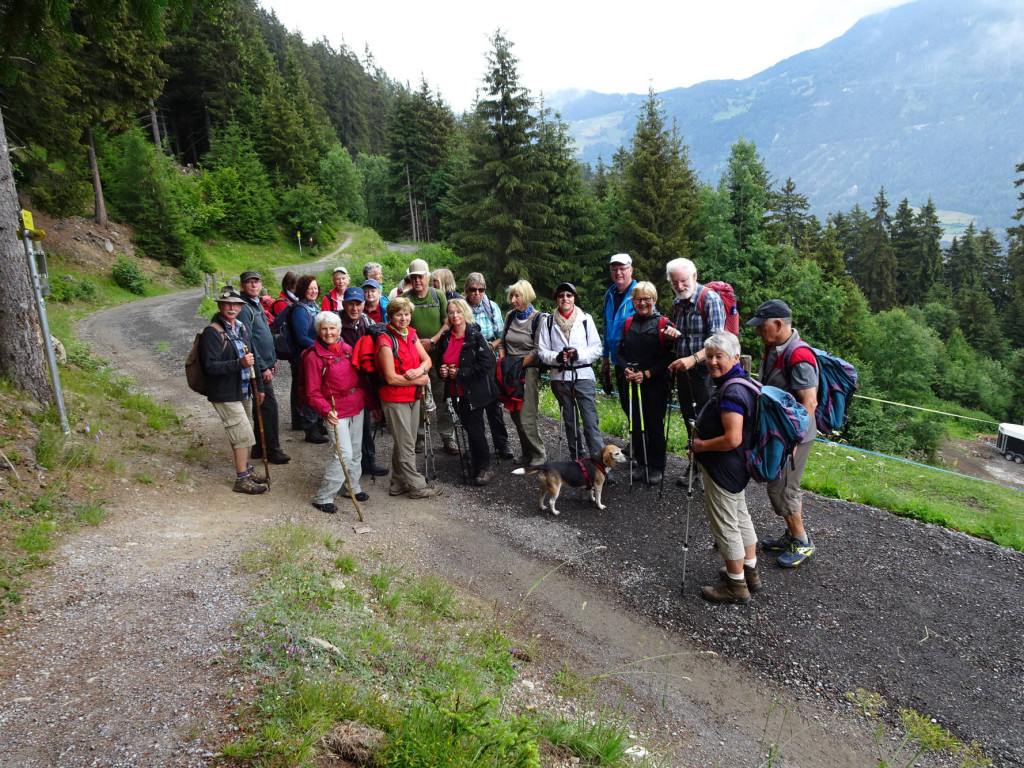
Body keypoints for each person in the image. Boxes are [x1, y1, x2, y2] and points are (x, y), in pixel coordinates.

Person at [690, 331, 761, 604]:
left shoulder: (732, 391)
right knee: (740, 516)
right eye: (709, 356)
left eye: (719, 356)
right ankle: (749, 571)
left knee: (726, 525)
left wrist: (700, 446)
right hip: (738, 466)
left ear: (734, 357)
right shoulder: (743, 382)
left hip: (724, 467)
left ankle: (735, 585)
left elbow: (733, 438)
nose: (713, 362)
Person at [747, 299, 818, 568]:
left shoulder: (799, 356)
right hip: (779, 433)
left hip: (793, 438)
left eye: (761, 326)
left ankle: (802, 542)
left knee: (784, 488)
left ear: (778, 324)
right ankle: (790, 535)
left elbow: (809, 402)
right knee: (777, 484)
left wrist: (795, 442)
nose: (757, 331)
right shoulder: (775, 348)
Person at [302, 311, 377, 513]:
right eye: (324, 328)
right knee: (343, 453)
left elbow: (361, 379)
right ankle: (324, 496)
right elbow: (312, 392)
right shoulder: (313, 356)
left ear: (339, 330)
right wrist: (326, 410)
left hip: (355, 404)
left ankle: (352, 487)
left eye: (332, 328)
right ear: (318, 330)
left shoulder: (347, 349)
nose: (328, 332)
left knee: (355, 449)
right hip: (334, 409)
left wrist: (371, 404)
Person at [198, 286, 268, 494]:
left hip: (244, 390)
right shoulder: (212, 332)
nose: (231, 308)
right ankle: (241, 479)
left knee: (245, 431)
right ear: (219, 306)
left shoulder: (241, 328)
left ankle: (246, 468)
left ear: (240, 307)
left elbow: (252, 358)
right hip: (225, 393)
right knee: (243, 434)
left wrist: (260, 388)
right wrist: (239, 364)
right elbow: (210, 367)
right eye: (227, 304)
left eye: (235, 304)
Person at [666, 258, 726, 488]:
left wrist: (694, 359)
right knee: (690, 421)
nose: (679, 286)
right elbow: (685, 334)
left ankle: (711, 473)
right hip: (684, 372)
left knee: (708, 422)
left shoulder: (709, 299)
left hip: (707, 373)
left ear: (694, 276)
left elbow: (718, 340)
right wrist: (673, 332)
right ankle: (695, 467)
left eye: (683, 281)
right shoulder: (678, 302)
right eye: (674, 283)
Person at [376, 297, 443, 499]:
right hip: (395, 400)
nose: (403, 318)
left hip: (414, 397)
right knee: (406, 444)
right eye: (399, 314)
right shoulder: (385, 340)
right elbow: (390, 377)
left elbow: (427, 359)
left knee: (406, 441)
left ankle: (398, 483)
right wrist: (419, 380)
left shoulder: (411, 334)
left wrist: (420, 370)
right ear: (391, 316)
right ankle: (417, 486)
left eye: (406, 314)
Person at [616, 282, 676, 485]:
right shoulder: (628, 323)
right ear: (632, 301)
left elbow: (670, 357)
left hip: (655, 383)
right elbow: (620, 352)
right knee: (637, 424)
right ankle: (642, 463)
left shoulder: (664, 324)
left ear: (654, 300)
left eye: (646, 299)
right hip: (632, 381)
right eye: (638, 299)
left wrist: (648, 374)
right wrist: (625, 368)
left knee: (654, 426)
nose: (642, 303)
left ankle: (657, 466)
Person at [537, 282, 604, 463]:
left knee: (590, 422)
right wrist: (557, 357)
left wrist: (579, 355)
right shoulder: (548, 321)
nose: (565, 299)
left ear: (574, 297)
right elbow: (542, 351)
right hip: (559, 377)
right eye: (561, 296)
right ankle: (578, 460)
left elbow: (597, 349)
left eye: (569, 295)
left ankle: (599, 463)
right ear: (556, 299)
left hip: (583, 375)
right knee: (569, 421)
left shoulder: (585, 319)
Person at [438, 299, 502, 485]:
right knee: (468, 427)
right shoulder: (446, 337)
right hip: (455, 390)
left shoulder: (474, 335)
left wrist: (460, 373)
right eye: (451, 312)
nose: (455, 315)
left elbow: (485, 365)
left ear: (465, 312)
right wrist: (443, 371)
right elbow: (441, 361)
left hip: (474, 391)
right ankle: (476, 463)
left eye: (458, 311)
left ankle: (484, 466)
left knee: (475, 429)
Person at [402, 258, 458, 455]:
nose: (418, 280)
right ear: (411, 278)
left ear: (427, 278)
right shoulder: (405, 298)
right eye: (414, 277)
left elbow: (447, 323)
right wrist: (420, 344)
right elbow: (403, 326)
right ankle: (418, 438)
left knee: (442, 396)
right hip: (415, 356)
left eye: (421, 277)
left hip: (438, 353)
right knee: (417, 397)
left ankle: (447, 437)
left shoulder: (438, 296)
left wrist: (432, 341)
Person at [238, 270, 289, 465]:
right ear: (242, 286)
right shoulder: (244, 308)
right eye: (249, 283)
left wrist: (273, 359)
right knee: (268, 408)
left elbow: (265, 334)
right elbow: (248, 341)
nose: (253, 285)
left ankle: (260, 448)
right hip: (257, 368)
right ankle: (273, 450)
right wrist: (262, 367)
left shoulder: (256, 304)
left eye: (256, 282)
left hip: (266, 363)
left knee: (263, 407)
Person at [338, 286, 389, 479]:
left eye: (358, 304)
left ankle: (368, 462)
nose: (354, 308)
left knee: (365, 422)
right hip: (344, 382)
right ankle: (350, 468)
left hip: (363, 380)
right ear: (344, 304)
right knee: (347, 427)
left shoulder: (367, 323)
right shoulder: (336, 323)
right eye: (350, 303)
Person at [497, 279, 546, 468]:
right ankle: (526, 453)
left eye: (517, 296)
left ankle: (539, 453)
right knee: (515, 415)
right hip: (509, 371)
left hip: (528, 371)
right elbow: (502, 343)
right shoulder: (510, 316)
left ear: (526, 297)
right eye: (512, 296)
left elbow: (537, 350)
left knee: (527, 415)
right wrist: (503, 362)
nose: (513, 300)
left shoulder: (539, 319)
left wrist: (517, 365)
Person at [464, 272, 512, 460]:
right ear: (466, 290)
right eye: (473, 290)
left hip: (489, 359)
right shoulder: (461, 307)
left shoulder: (492, 307)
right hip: (468, 359)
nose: (477, 293)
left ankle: (502, 443)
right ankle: (478, 444)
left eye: (481, 290)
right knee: (472, 404)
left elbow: (501, 334)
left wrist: (491, 346)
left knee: (493, 402)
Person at [290, 274, 328, 444]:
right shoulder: (300, 309)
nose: (313, 291)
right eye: (309, 288)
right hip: (304, 356)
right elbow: (301, 337)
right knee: (309, 392)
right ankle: (310, 428)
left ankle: (318, 424)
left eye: (315, 288)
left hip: (314, 355)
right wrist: (321, 346)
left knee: (318, 389)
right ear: (302, 290)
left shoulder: (313, 306)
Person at [601, 253, 637, 408]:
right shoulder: (609, 294)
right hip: (617, 359)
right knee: (625, 404)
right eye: (614, 269)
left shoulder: (639, 293)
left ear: (631, 270)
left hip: (635, 360)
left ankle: (641, 433)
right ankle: (633, 433)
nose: (618, 273)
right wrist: (605, 356)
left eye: (622, 268)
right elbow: (606, 326)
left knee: (637, 405)